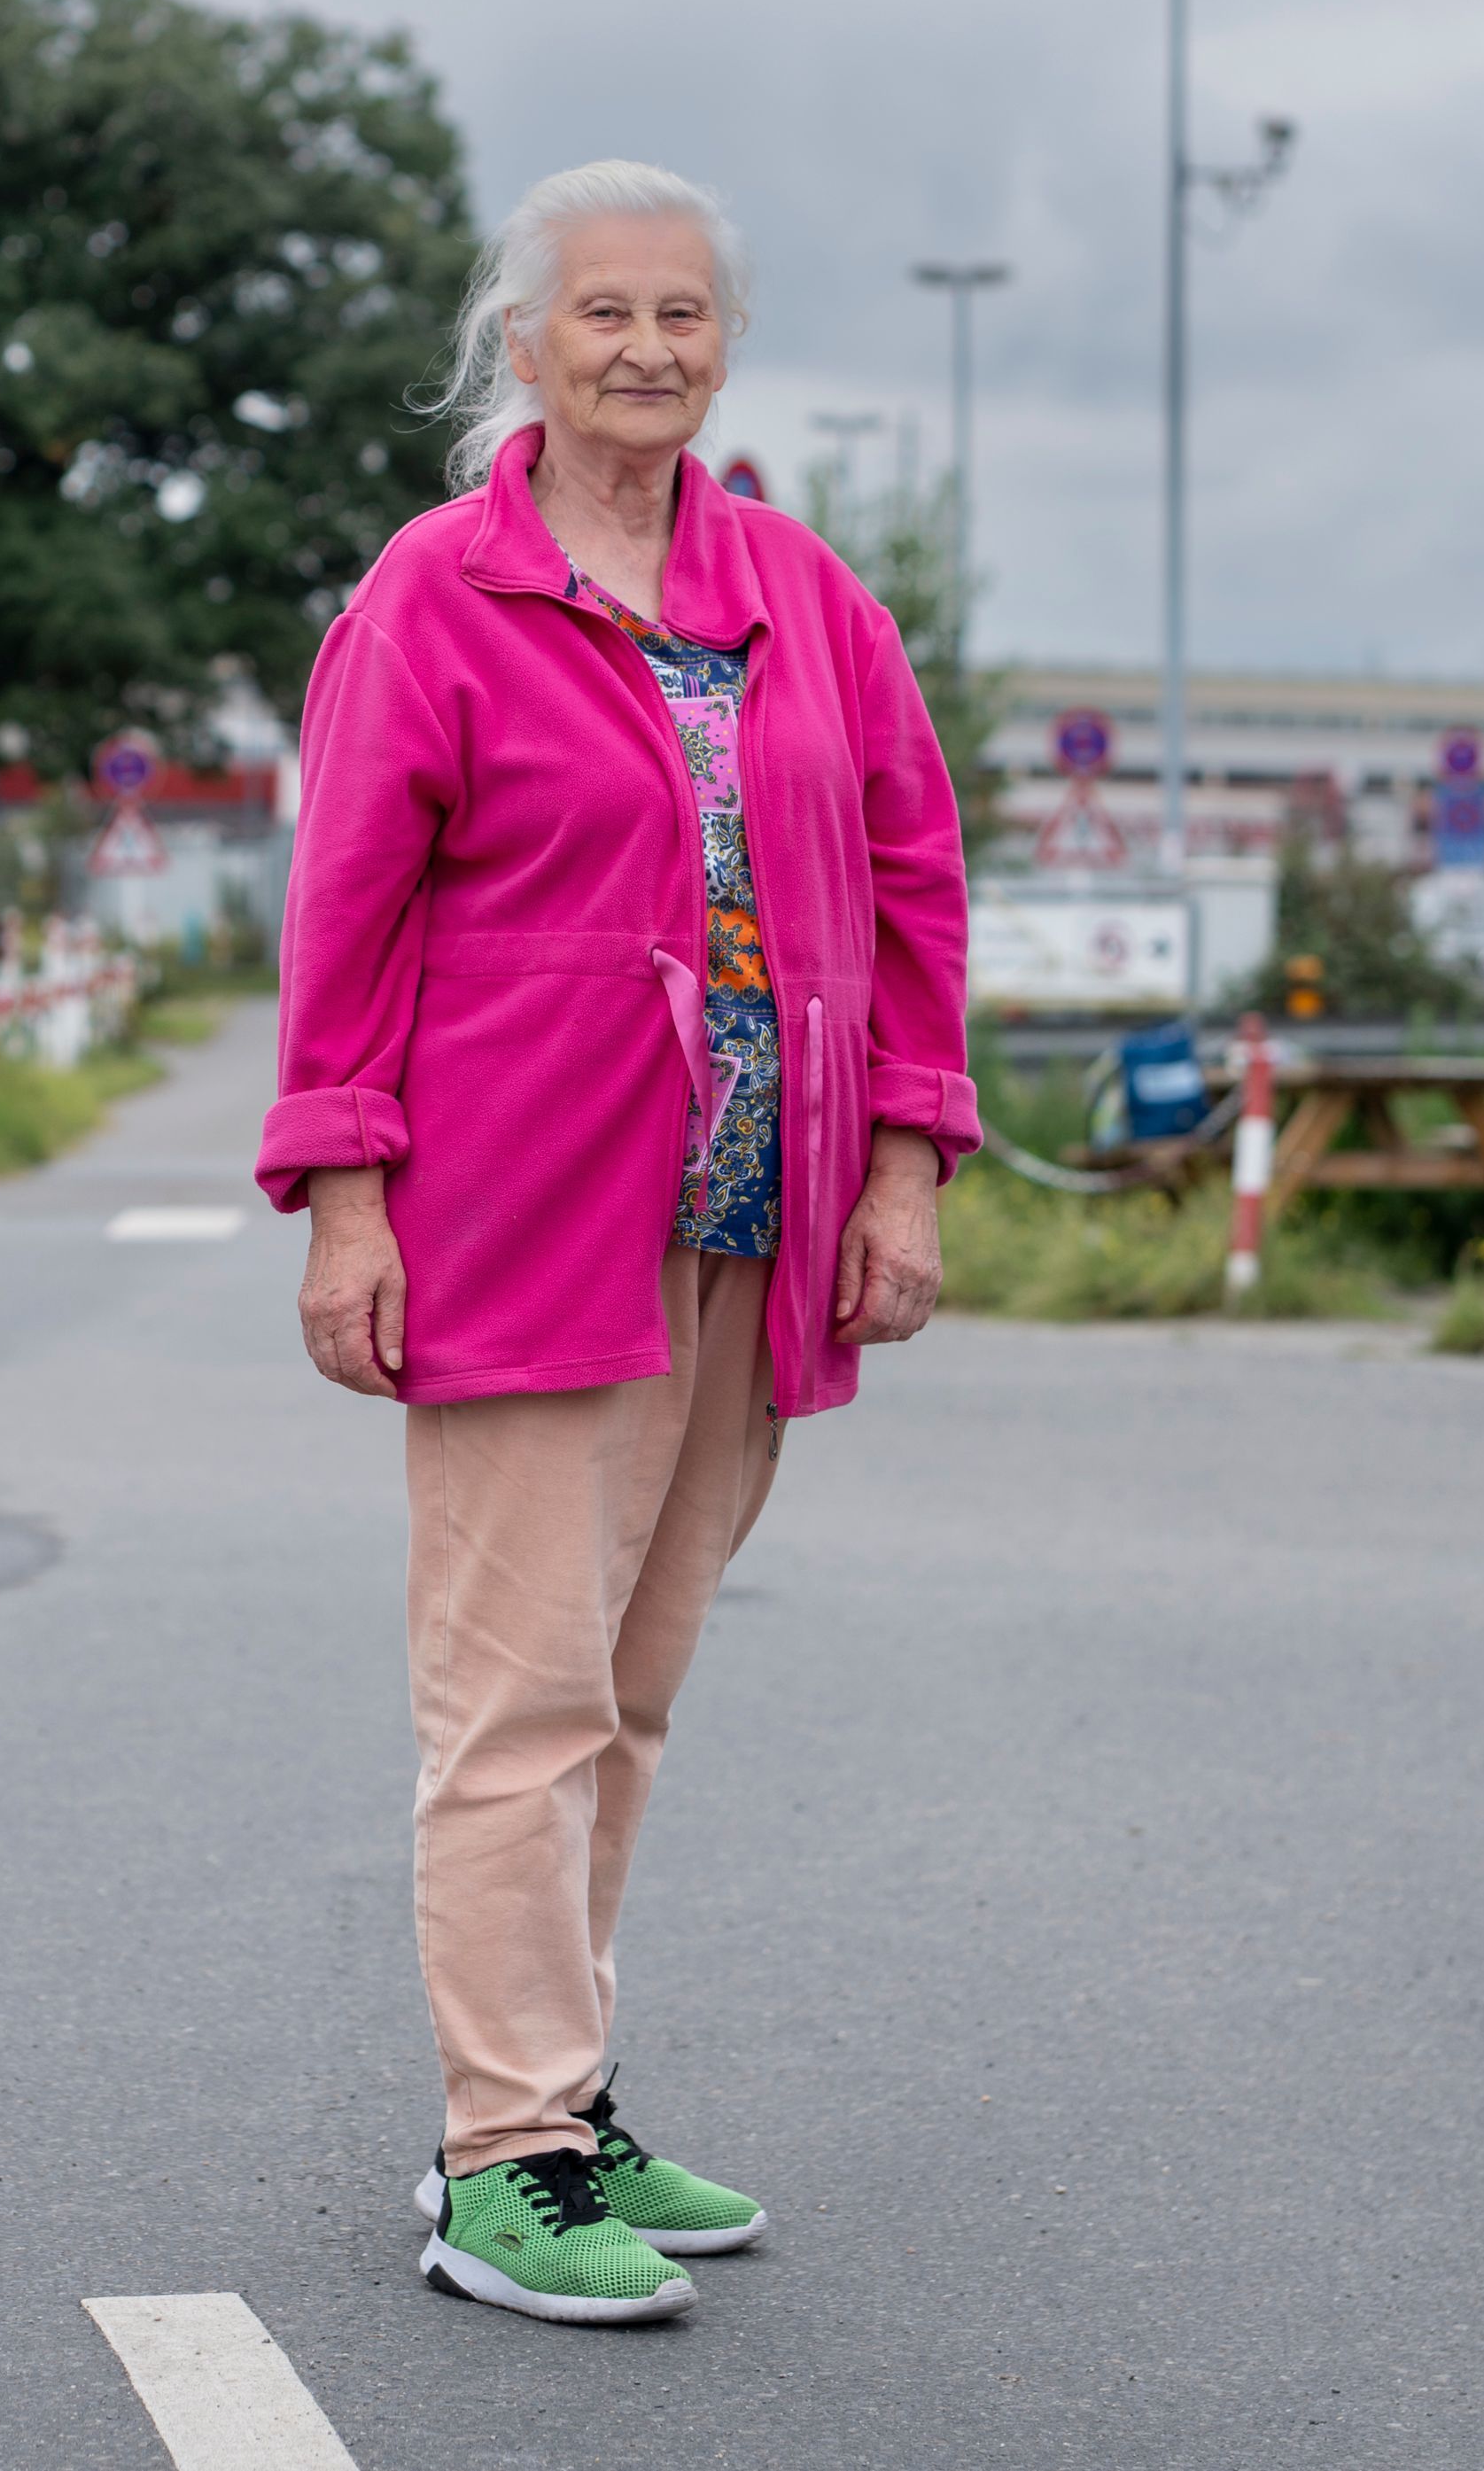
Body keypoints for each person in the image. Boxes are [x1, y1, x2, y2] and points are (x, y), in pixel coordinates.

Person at [260, 159, 976, 2328]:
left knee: (630, 1690)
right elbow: (349, 911)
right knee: (517, 1703)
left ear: (724, 348)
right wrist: (345, 1192)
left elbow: (915, 877)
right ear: (523, 341)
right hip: (518, 1213)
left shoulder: (801, 592)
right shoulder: (435, 592)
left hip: (752, 1219)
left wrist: (910, 1166)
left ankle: (564, 2096)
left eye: (684, 314)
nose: (646, 347)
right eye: (604, 314)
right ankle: (503, 2150)